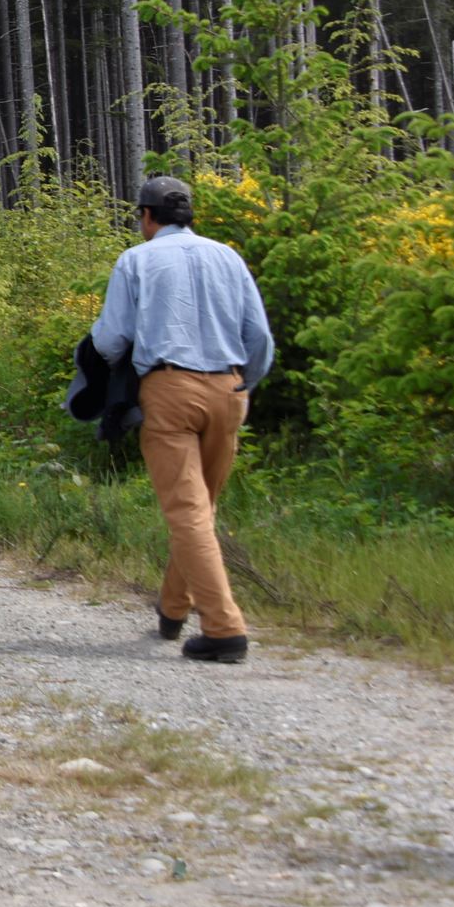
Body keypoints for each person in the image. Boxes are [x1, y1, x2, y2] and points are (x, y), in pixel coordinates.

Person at [90, 174, 274, 664]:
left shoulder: (137, 260)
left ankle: (224, 629)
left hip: (170, 389)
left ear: (147, 216)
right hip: (230, 388)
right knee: (199, 509)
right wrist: (244, 384)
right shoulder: (228, 256)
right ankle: (173, 609)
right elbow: (259, 337)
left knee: (188, 512)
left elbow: (110, 339)